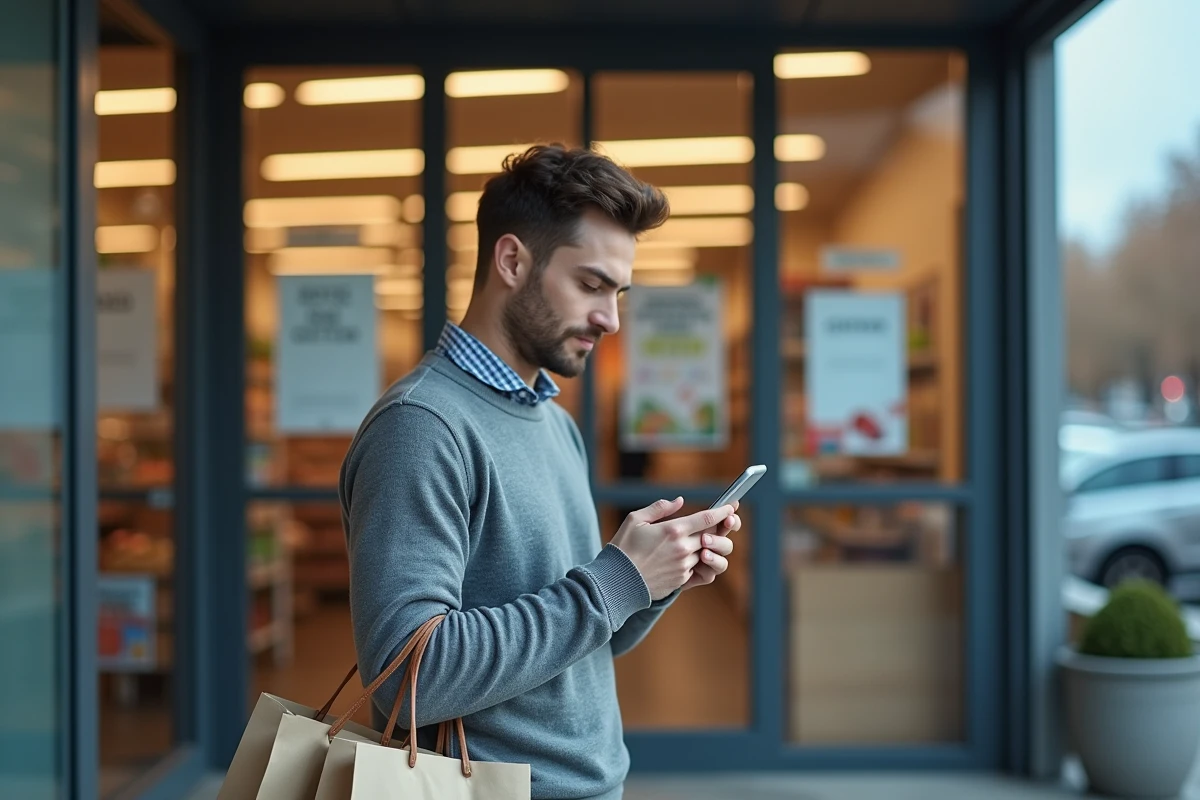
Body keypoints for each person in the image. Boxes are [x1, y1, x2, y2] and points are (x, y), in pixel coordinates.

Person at [338, 143, 741, 800]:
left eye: (619, 292)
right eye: (590, 284)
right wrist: (612, 581)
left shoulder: (556, 425)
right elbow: (408, 680)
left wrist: (652, 580)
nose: (611, 318)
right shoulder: (422, 426)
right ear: (512, 260)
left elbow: (576, 646)